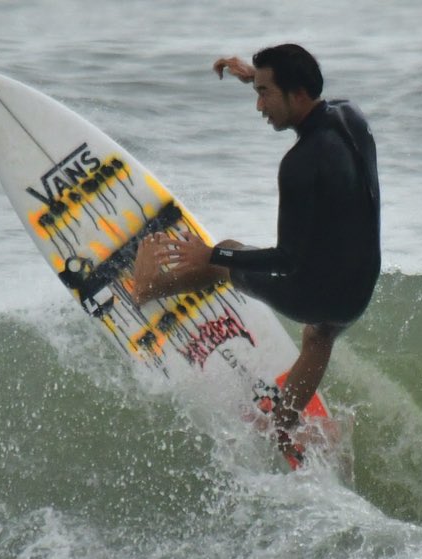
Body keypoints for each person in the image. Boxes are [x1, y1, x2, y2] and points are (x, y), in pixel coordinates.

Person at [133, 43, 381, 451]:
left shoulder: (300, 164)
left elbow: (287, 259)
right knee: (319, 336)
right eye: (258, 91)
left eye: (265, 93)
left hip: (318, 294)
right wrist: (256, 76)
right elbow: (308, 91)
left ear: (296, 94)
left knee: (228, 252)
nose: (259, 106)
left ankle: (146, 289)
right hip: (358, 291)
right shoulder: (351, 116)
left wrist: (214, 256)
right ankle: (283, 425)